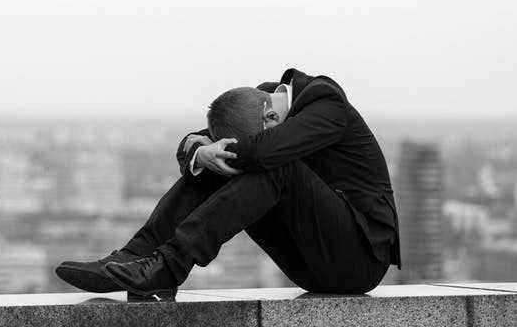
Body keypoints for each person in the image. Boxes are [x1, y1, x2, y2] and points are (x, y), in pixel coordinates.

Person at [55, 67, 401, 300]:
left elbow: (266, 151)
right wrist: (201, 152)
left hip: (359, 260)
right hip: (308, 264)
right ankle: (134, 257)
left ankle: (169, 266)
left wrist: (211, 149)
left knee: (273, 165)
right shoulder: (259, 103)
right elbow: (196, 142)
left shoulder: (326, 104)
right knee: (219, 162)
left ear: (271, 116)